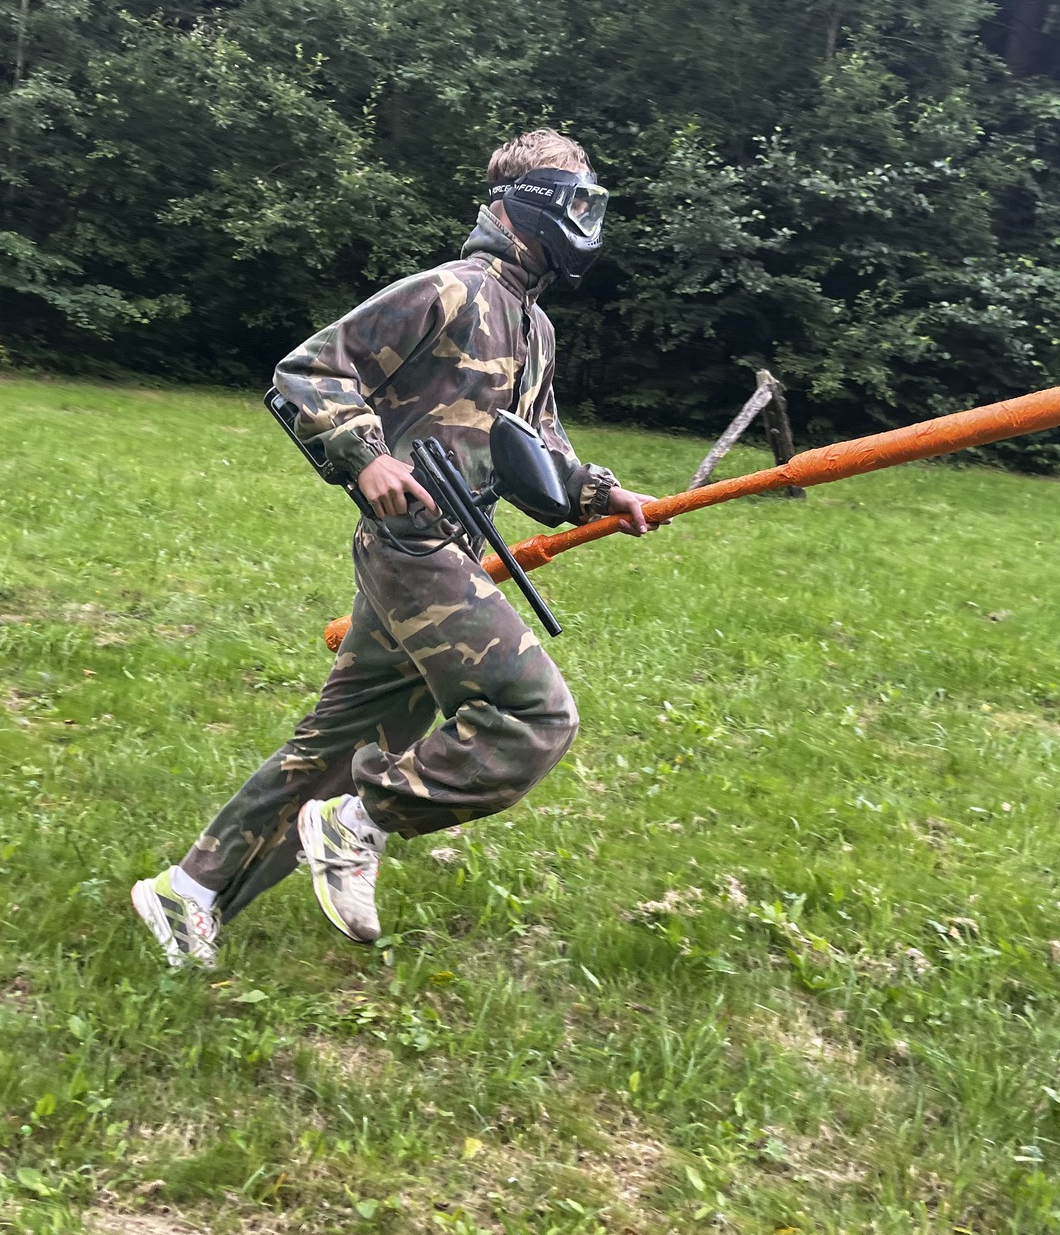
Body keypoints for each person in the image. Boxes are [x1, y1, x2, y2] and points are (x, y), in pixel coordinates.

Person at [132, 130, 664, 967]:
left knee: (335, 748)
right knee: (536, 716)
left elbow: (540, 450)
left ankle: (187, 893)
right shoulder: (449, 290)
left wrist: (602, 494)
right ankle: (357, 823)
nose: (585, 218)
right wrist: (367, 455)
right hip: (414, 548)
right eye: (574, 200)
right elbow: (310, 370)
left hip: (449, 549)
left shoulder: (534, 325)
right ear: (523, 207)